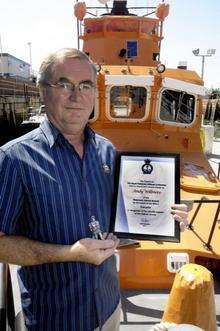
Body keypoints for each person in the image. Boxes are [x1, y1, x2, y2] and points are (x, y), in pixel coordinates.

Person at [0, 48, 188, 331]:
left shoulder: (107, 151)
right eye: (64, 84)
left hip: (109, 309)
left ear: (94, 93)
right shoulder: (14, 158)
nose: (77, 96)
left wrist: (167, 217)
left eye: (86, 85)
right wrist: (69, 253)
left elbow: (121, 222)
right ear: (43, 91)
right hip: (54, 319)